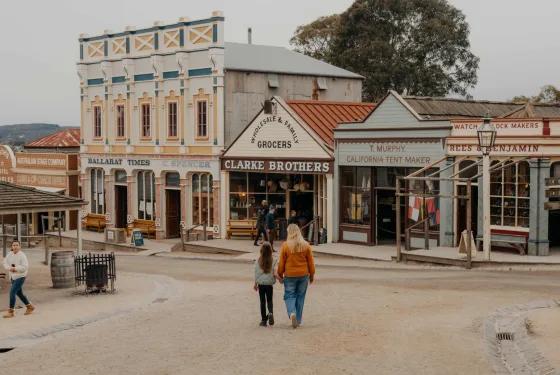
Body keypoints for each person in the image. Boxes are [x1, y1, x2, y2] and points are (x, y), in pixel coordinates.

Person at [277, 224, 315, 329]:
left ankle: (292, 313)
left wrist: (280, 274)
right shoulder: (306, 245)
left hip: (290, 275)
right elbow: (311, 262)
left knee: (289, 295)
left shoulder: (285, 246)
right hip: (303, 275)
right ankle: (298, 319)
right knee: (300, 297)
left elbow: (281, 263)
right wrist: (311, 275)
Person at [3, 240, 34, 319]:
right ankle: (30, 306)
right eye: (14, 245)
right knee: (19, 293)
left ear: (20, 246)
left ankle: (11, 311)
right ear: (11, 247)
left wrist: (15, 269)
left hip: (21, 276)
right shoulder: (9, 254)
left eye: (17, 245)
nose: (15, 247)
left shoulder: (22, 255)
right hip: (13, 276)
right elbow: (4, 263)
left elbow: (25, 267)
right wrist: (9, 268)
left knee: (12, 292)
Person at [253, 242, 277, 327]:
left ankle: (263, 320)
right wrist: (280, 278)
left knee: (262, 301)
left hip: (261, 284)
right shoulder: (274, 260)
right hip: (269, 284)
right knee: (269, 300)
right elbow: (275, 272)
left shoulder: (258, 260)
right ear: (271, 251)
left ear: (261, 250)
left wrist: (255, 284)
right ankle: (270, 313)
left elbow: (256, 273)